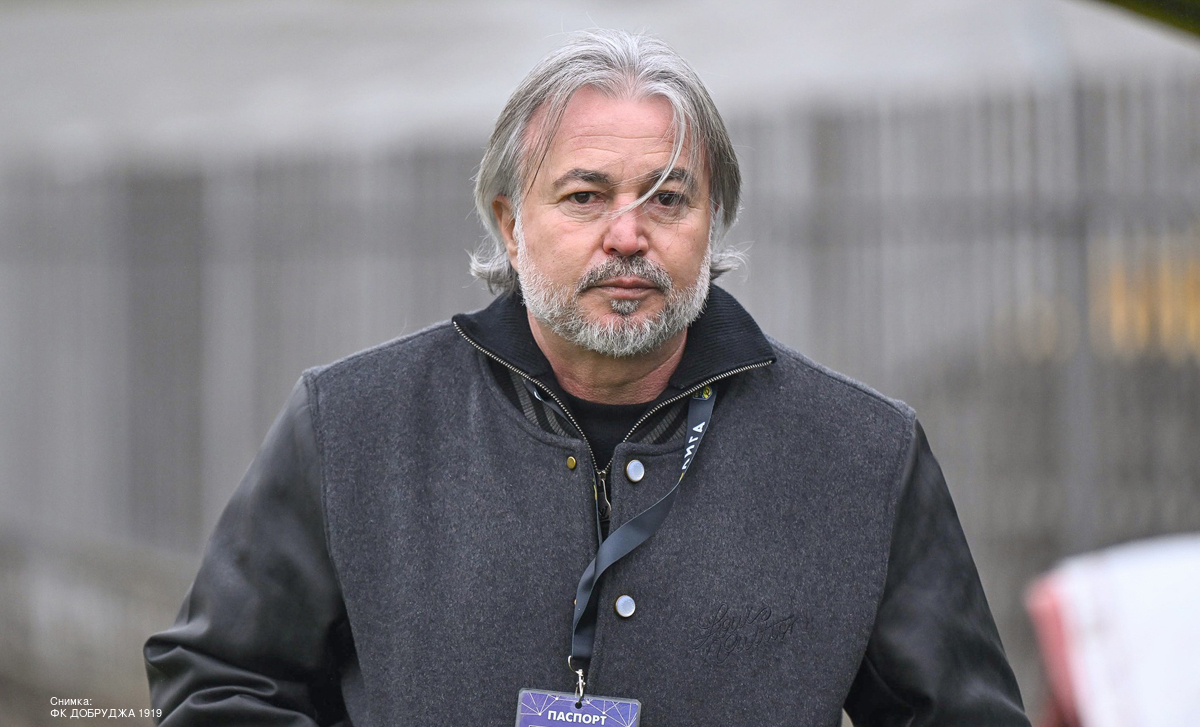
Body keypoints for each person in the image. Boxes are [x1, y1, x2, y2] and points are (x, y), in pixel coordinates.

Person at [145, 30, 1030, 726]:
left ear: (712, 223)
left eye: (668, 197)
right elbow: (220, 681)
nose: (628, 234)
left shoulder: (862, 457)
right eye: (585, 195)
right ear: (510, 223)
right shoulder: (353, 426)